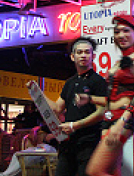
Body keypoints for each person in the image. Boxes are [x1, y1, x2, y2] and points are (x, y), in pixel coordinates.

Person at [78, 15, 134, 176]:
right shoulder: (119, 63)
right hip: (109, 117)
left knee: (94, 171)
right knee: (112, 170)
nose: (121, 35)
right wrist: (89, 99)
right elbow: (111, 98)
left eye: (126, 30)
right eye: (117, 32)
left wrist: (122, 122)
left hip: (123, 117)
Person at [45, 37, 107, 176]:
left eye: (87, 52)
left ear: (93, 56)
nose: (83, 55)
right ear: (73, 57)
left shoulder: (98, 81)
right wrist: (37, 94)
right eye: (79, 52)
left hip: (88, 143)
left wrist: (75, 125)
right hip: (67, 143)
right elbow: (57, 108)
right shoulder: (70, 83)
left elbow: (101, 113)